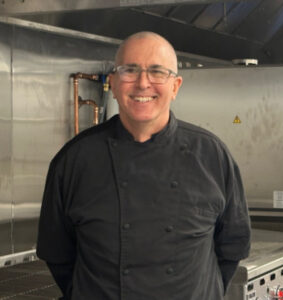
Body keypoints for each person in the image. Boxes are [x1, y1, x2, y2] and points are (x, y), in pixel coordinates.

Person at [37, 31, 251, 300]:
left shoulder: (212, 155)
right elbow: (57, 254)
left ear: (175, 86)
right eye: (130, 70)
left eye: (157, 72)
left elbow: (233, 245)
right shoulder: (74, 160)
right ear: (113, 84)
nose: (142, 83)